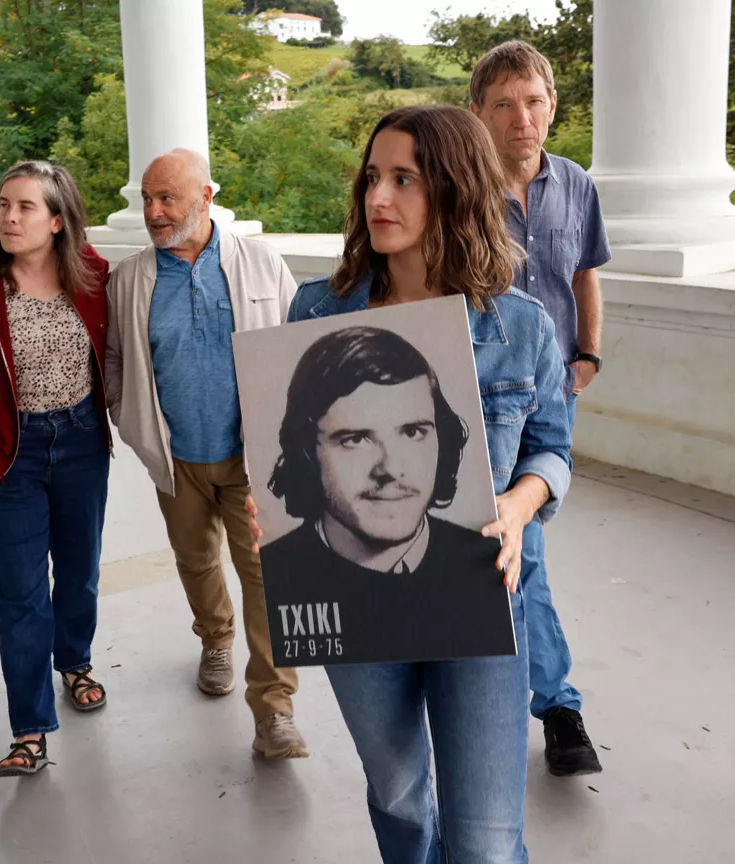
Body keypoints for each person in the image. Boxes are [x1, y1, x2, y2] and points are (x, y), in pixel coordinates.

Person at [249, 104, 572, 862]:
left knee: (488, 840)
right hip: (356, 603)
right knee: (396, 795)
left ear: (456, 190)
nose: (378, 199)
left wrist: (520, 506)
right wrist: (275, 508)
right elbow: (277, 443)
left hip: (481, 598)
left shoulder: (520, 326)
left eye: (405, 180)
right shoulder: (317, 309)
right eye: (372, 178)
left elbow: (552, 450)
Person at [104, 148, 306, 759]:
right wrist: (130, 420)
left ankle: (275, 710)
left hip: (255, 460)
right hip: (177, 459)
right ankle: (215, 638)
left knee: (269, 578)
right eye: (147, 199)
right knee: (195, 562)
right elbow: (114, 361)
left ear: (206, 198)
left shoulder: (260, 262)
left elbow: (299, 342)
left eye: (167, 198)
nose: (154, 212)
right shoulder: (130, 279)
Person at [0, 160, 112, 778]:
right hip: (12, 451)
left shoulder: (93, 277)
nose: (8, 217)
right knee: (22, 589)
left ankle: (77, 661)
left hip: (83, 440)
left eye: (25, 207)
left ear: (58, 220)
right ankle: (29, 727)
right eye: (4, 204)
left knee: (81, 570)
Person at [470, 39, 608, 776]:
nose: (521, 118)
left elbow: (584, 273)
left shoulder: (577, 184)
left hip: (553, 397)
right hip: (487, 399)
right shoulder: (460, 186)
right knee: (523, 548)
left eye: (533, 101)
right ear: (478, 113)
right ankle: (556, 704)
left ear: (552, 105)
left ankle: (538, 697)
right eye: (503, 104)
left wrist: (587, 357)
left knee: (522, 543)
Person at [260, 326, 512, 664]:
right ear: (306, 452)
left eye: (412, 432)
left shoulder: (478, 565)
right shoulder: (281, 569)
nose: (390, 468)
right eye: (354, 439)